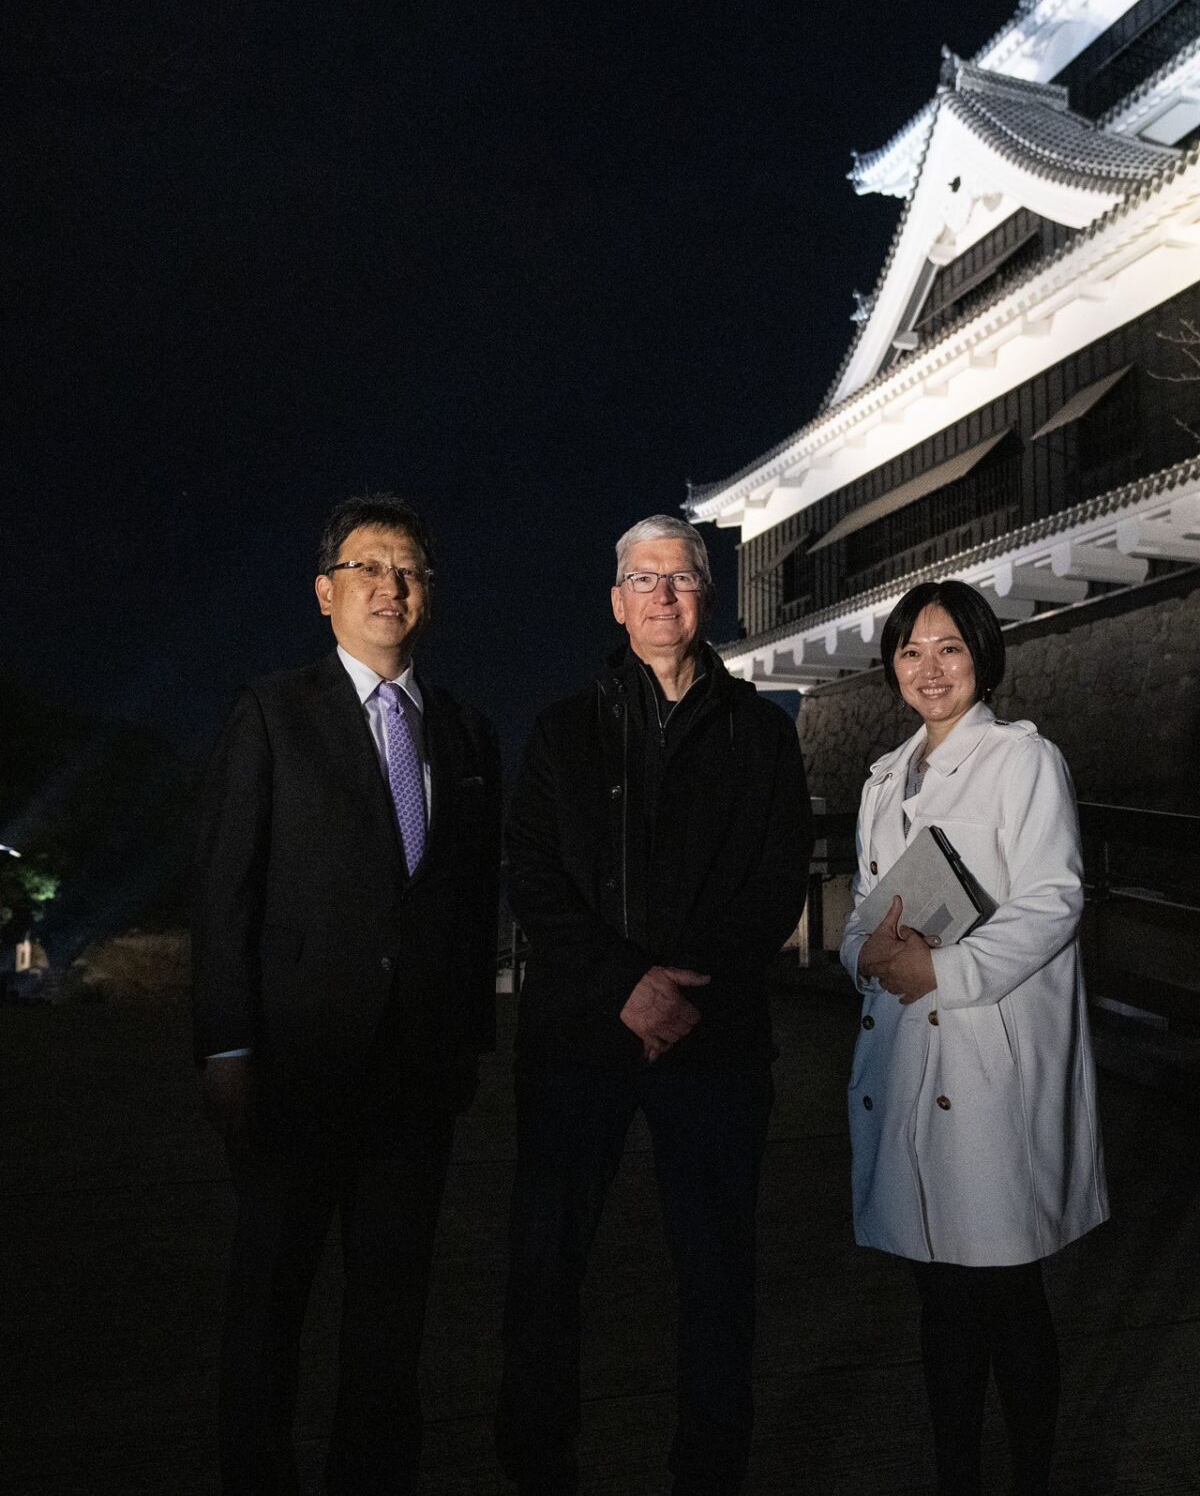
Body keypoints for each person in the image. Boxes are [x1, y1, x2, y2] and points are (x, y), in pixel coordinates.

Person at [191, 493, 502, 1495]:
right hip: (294, 1065)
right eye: (368, 566)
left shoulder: (462, 730)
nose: (390, 584)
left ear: (429, 593)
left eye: (408, 567)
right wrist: (228, 1047)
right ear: (326, 593)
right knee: (271, 1298)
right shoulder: (273, 714)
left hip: (416, 1077)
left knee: (391, 1307)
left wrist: (468, 1047)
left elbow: (469, 899)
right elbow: (226, 889)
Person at [496, 514, 812, 1495]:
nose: (663, 595)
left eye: (681, 578)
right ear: (615, 600)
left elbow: (774, 878)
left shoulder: (760, 729)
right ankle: (538, 1465)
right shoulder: (562, 729)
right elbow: (533, 874)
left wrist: (681, 990)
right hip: (577, 1037)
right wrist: (621, 985)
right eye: (643, 578)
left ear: (707, 597)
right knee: (548, 1265)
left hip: (713, 1039)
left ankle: (709, 1471)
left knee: (717, 1272)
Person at [843, 580, 1108, 1496]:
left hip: (987, 1056)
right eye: (912, 651)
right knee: (935, 1281)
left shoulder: (1023, 762)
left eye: (950, 648)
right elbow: (862, 914)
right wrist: (866, 954)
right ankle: (957, 1471)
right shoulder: (887, 777)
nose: (930, 668)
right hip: (910, 1051)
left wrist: (944, 974)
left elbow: (1054, 901)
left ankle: (1028, 1476)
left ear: (982, 657)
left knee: (1002, 1283)